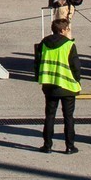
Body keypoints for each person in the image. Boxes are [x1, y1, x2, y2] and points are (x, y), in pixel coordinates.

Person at [33, 19, 80, 152]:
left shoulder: (44, 43)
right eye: (68, 29)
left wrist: (39, 78)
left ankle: (47, 145)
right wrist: (77, 79)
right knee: (68, 117)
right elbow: (75, 66)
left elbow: (37, 62)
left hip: (49, 85)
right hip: (67, 86)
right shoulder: (69, 45)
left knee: (49, 116)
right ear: (63, 30)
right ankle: (69, 146)